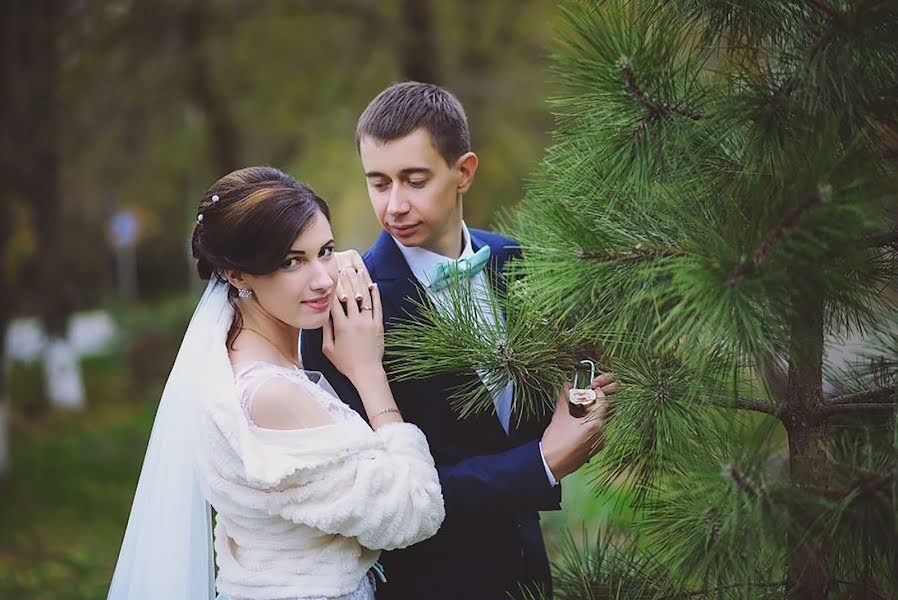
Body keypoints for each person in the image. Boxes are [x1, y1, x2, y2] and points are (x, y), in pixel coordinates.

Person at [301, 83, 616, 599]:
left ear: (464, 172)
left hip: (529, 576)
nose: (394, 205)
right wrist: (542, 462)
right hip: (422, 584)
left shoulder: (520, 261)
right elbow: (377, 491)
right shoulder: (348, 308)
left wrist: (581, 407)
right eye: (378, 184)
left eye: (414, 180)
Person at [108, 166, 445, 600]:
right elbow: (414, 510)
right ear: (236, 275)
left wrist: (327, 263)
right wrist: (369, 374)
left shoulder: (227, 348)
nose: (323, 279)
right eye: (291, 262)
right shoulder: (271, 396)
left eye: (326, 250)